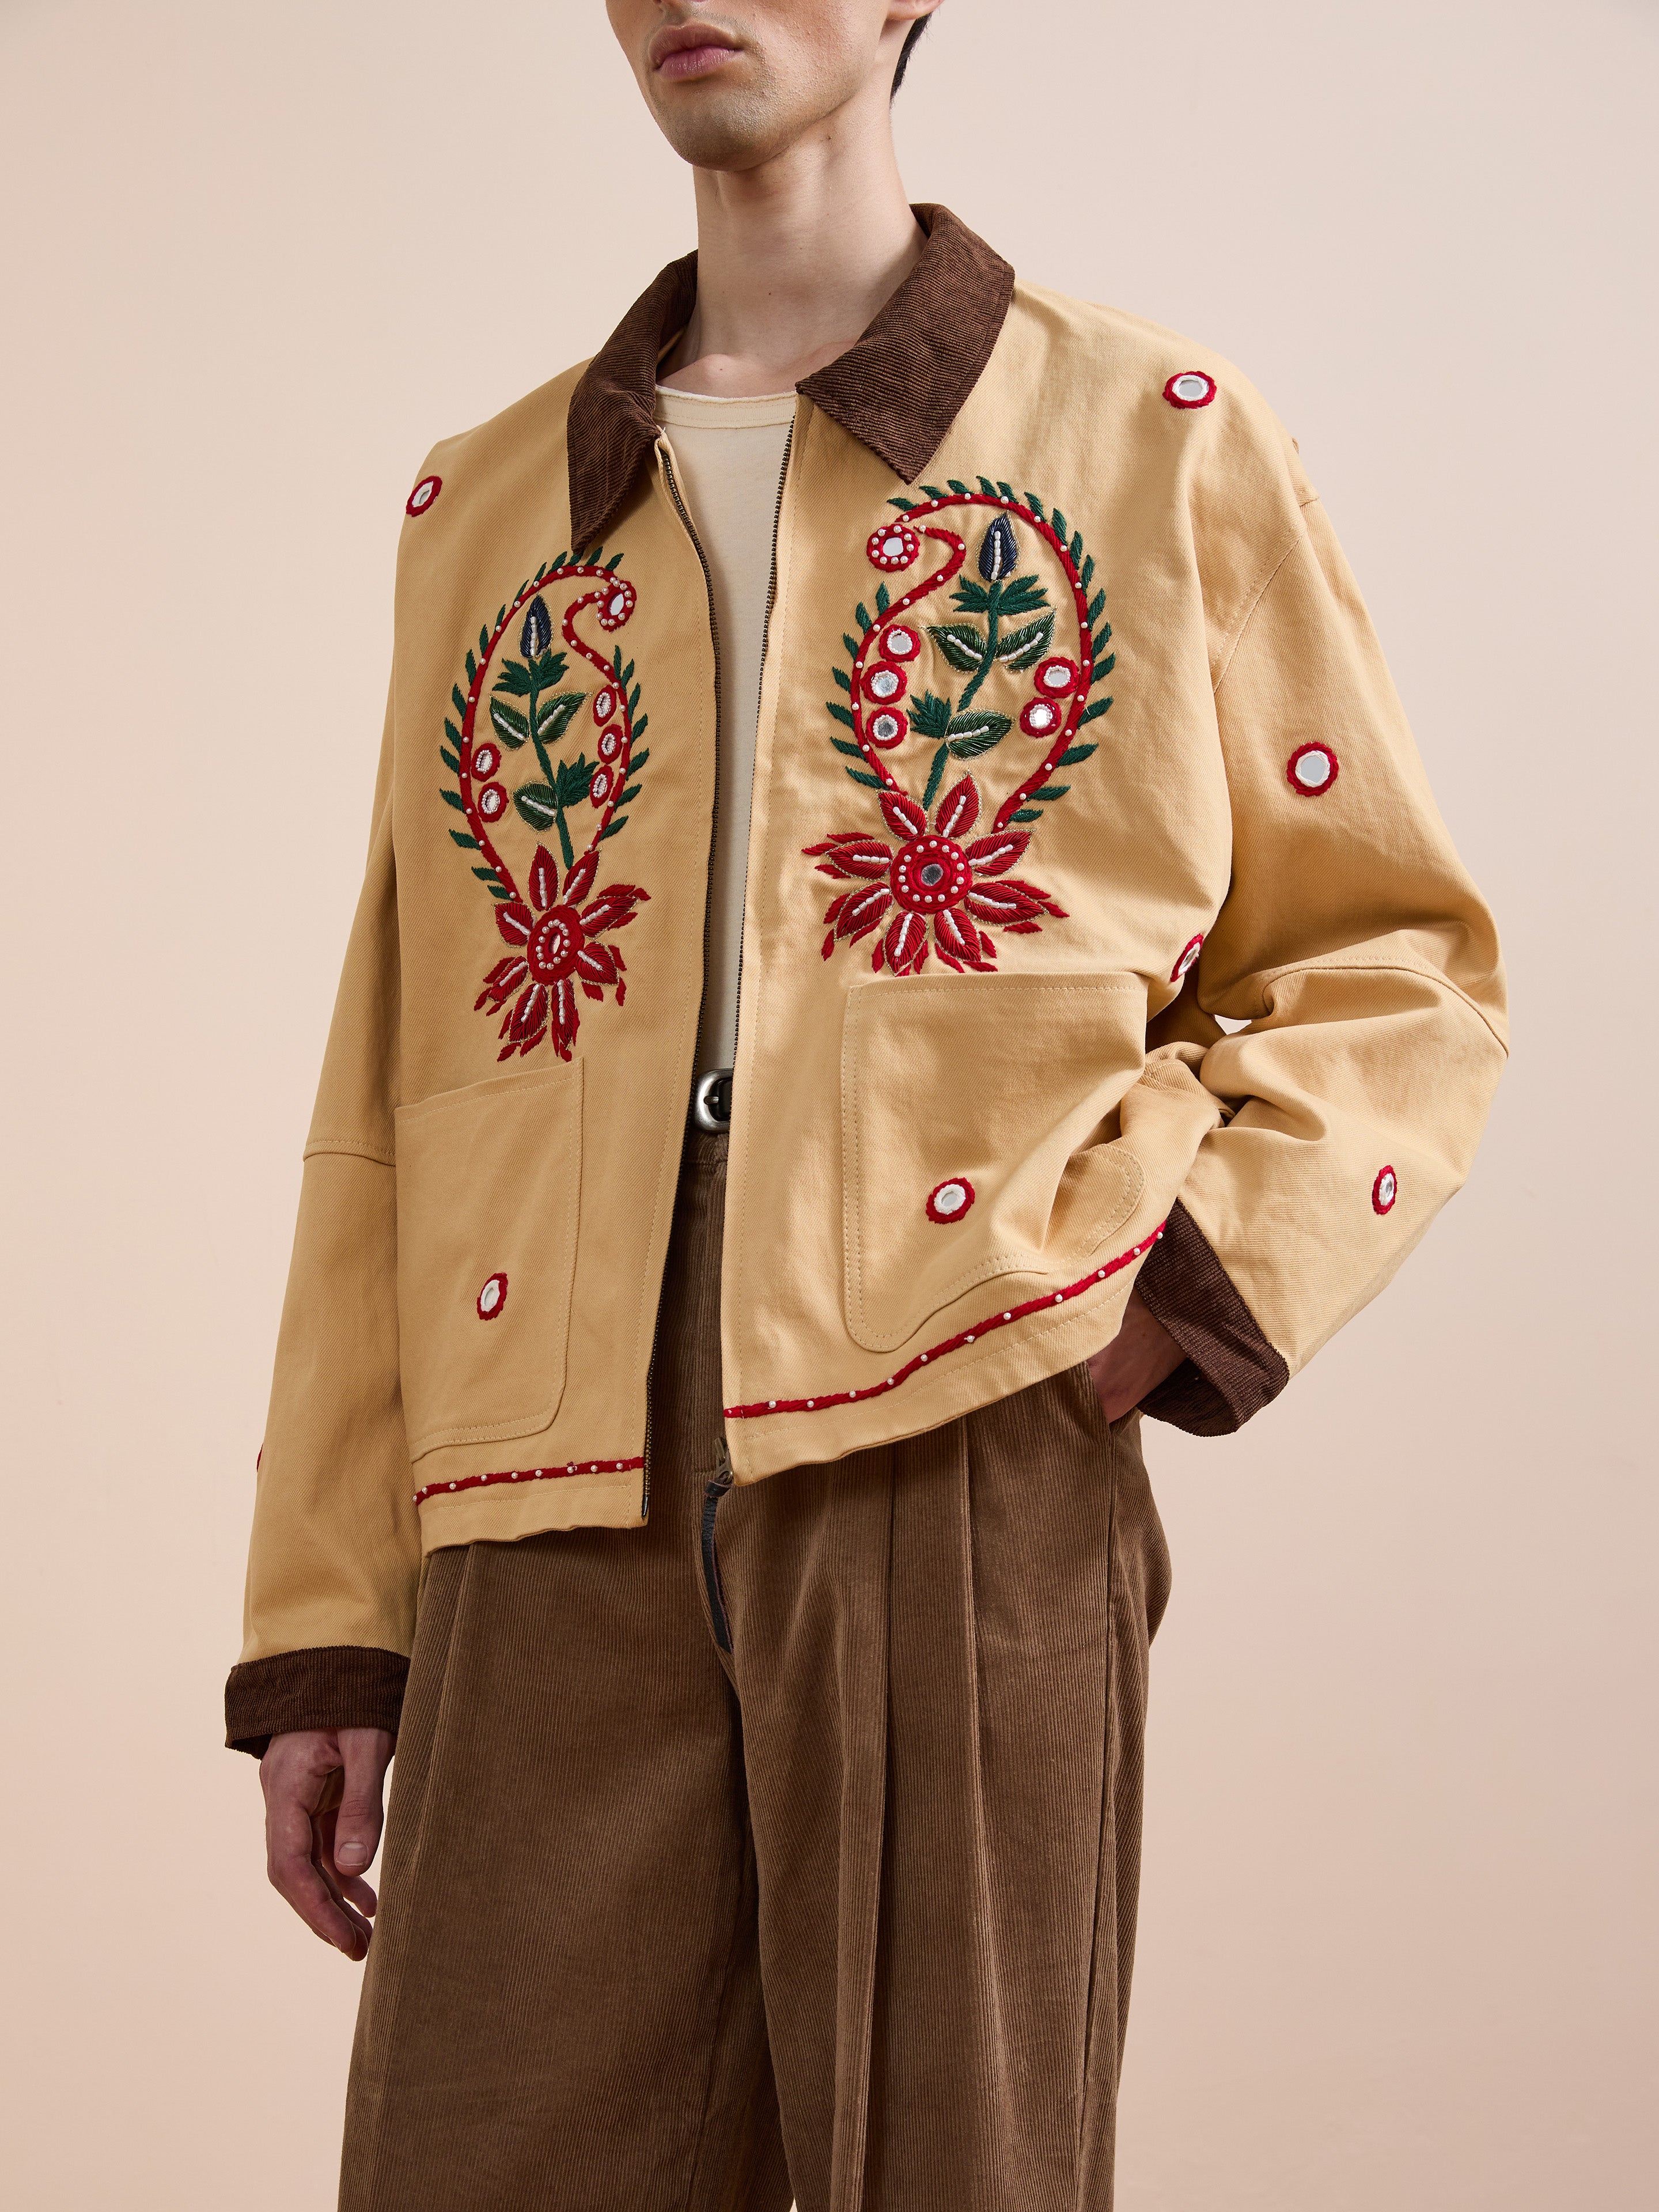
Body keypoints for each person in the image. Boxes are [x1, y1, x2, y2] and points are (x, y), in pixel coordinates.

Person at [225, 3, 1507, 2205]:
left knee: (959, 2168)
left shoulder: (1157, 440)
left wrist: (1165, 1296)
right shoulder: (487, 507)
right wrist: (327, 1608)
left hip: (969, 1408)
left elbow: (1397, 967)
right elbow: (398, 1087)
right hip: (545, 1462)